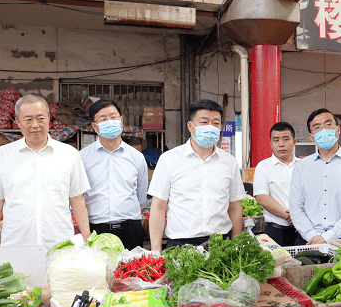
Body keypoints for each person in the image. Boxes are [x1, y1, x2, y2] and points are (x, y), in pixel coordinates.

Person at [0, 95, 91, 248]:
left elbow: (77, 200)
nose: (35, 125)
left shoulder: (70, 154)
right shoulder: (1, 156)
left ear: (49, 118)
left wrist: (87, 237)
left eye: (40, 118)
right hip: (16, 245)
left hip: (59, 245)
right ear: (17, 122)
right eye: (28, 120)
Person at [147, 99, 245, 252]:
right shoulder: (169, 159)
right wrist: (155, 250)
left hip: (220, 244)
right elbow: (158, 208)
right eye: (204, 122)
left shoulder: (230, 163)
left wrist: (236, 244)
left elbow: (235, 208)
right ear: (190, 126)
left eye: (216, 123)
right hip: (180, 245)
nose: (210, 127)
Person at [289, 109, 341, 246]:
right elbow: (296, 208)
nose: (323, 129)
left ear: (338, 130)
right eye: (317, 127)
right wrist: (313, 237)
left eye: (328, 124)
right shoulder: (301, 167)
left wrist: (328, 237)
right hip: (308, 240)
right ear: (312, 137)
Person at [80, 100, 148, 250]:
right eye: (103, 119)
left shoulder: (136, 157)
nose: (109, 122)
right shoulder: (82, 158)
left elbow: (141, 196)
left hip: (131, 229)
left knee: (133, 273)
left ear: (121, 120)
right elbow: (79, 196)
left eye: (113, 117)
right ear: (94, 126)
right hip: (96, 230)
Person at [253, 122, 299, 246]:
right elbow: (262, 198)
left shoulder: (303, 165)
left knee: (304, 264)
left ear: (294, 142)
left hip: (302, 230)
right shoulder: (263, 166)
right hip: (275, 231)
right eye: (276, 140)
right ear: (271, 144)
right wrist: (291, 217)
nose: (281, 144)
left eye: (285, 139)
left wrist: (300, 218)